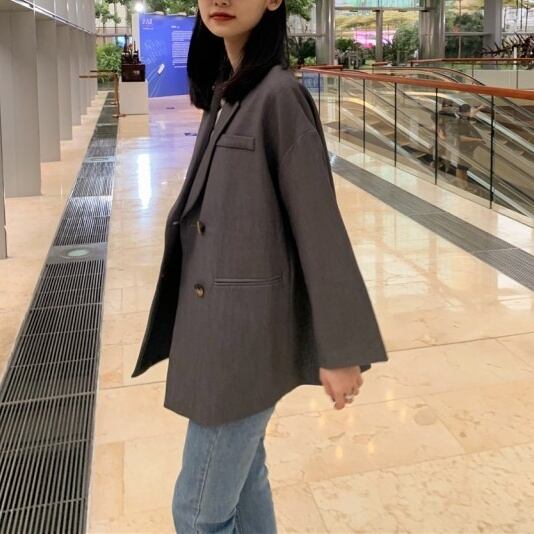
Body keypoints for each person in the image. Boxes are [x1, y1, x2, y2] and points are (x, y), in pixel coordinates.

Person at [130, 0, 389, 532]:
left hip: (242, 343)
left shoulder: (278, 95)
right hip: (218, 330)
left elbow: (318, 226)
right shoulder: (230, 90)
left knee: (198, 513)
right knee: (246, 484)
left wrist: (340, 349)